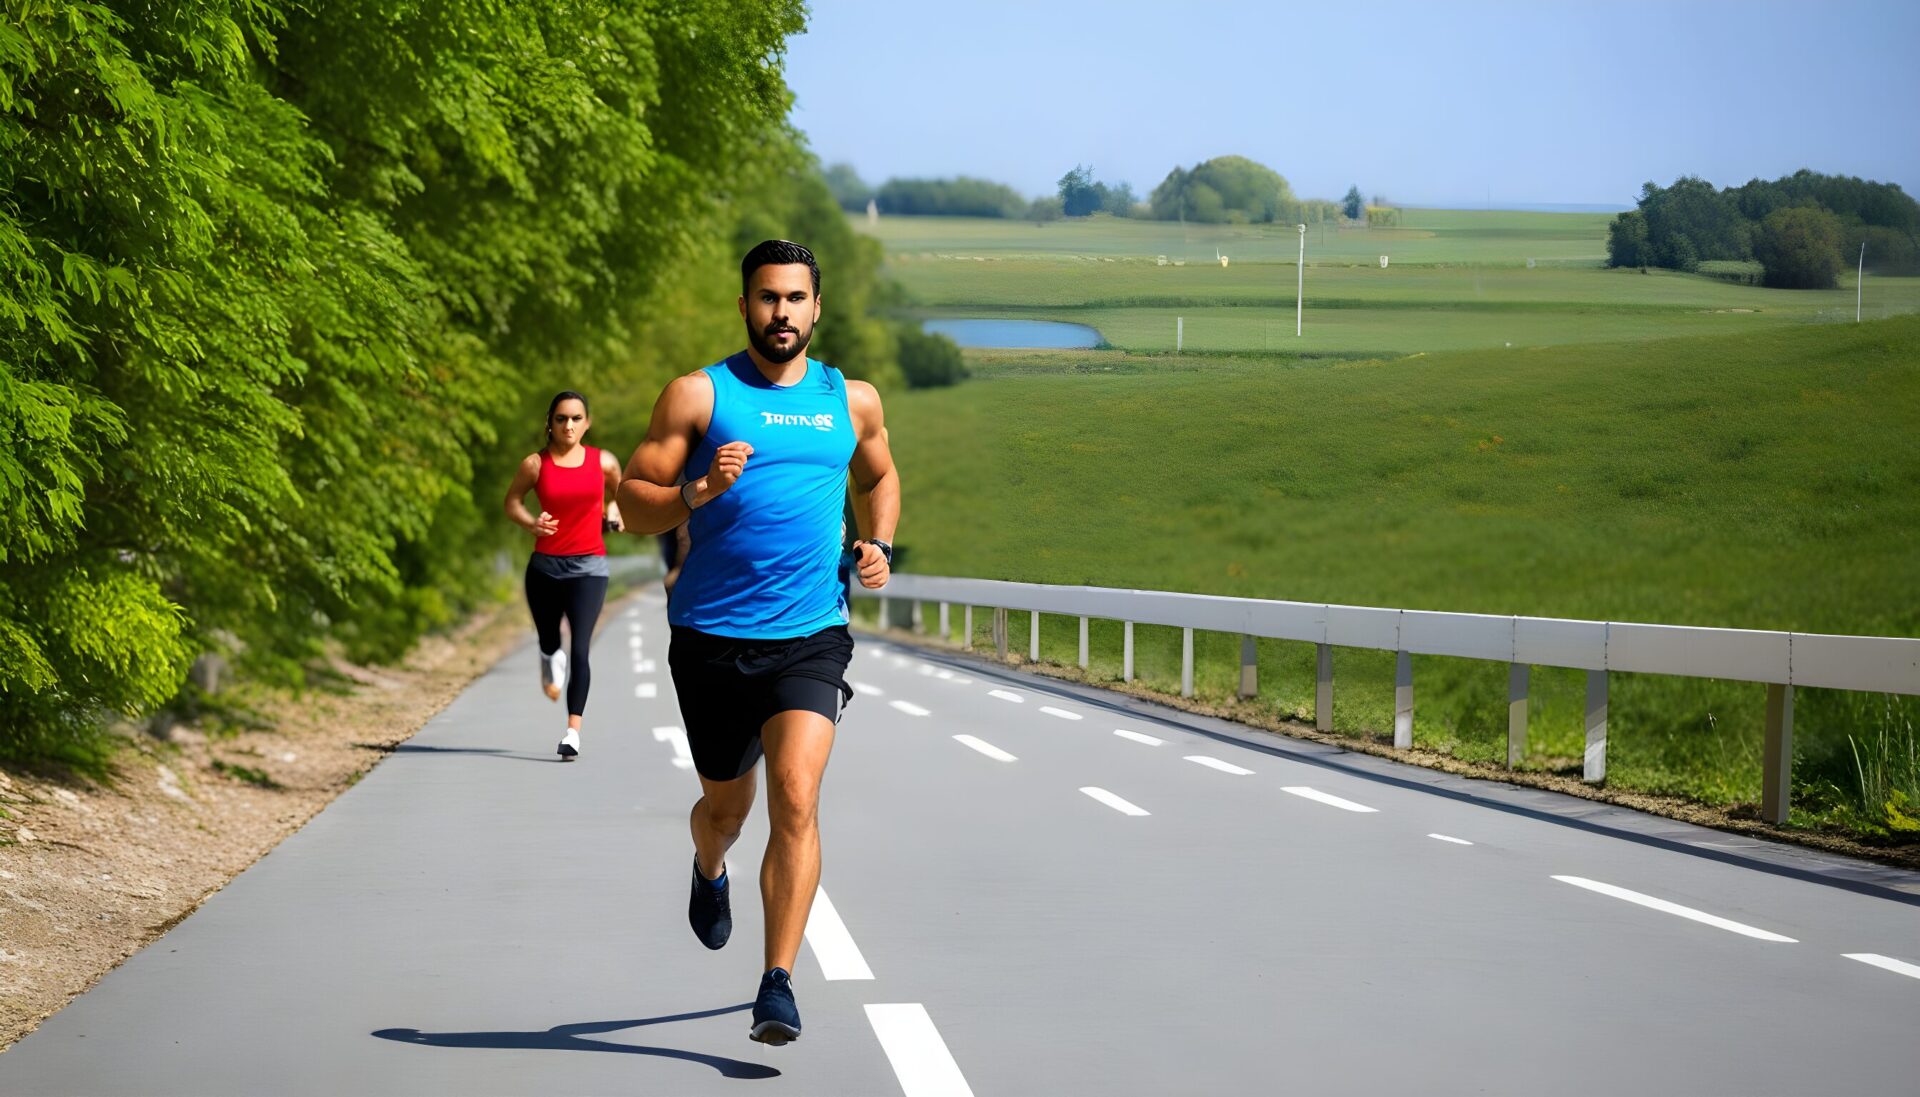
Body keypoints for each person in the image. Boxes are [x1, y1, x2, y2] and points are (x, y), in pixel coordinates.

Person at [618, 240, 898, 1045]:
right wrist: (696, 491)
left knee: (798, 796)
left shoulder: (853, 400)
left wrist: (878, 542)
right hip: (710, 639)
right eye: (767, 298)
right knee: (726, 809)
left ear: (818, 308)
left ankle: (776, 981)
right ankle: (708, 866)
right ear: (745, 305)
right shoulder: (700, 395)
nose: (782, 312)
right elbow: (633, 503)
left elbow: (878, 477)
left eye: (795, 299)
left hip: (811, 634)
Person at [503, 390, 625, 760]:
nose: (568, 425)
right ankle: (547, 655)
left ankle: (572, 731)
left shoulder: (604, 462)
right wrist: (531, 523)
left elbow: (617, 494)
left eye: (575, 418)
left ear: (587, 423)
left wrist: (613, 511)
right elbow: (512, 503)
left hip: (589, 568)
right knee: (549, 639)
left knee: (582, 648)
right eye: (561, 419)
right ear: (550, 424)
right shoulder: (534, 465)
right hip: (544, 569)